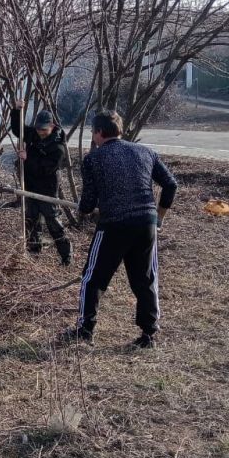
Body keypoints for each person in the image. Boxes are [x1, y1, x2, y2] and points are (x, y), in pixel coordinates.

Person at [61, 110, 177, 348]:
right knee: (145, 279)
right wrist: (159, 218)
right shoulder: (145, 152)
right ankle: (148, 334)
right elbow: (170, 185)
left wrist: (86, 209)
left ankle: (84, 331)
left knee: (93, 279)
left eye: (93, 133)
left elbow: (87, 204)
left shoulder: (94, 159)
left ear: (99, 133)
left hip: (113, 226)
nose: (93, 137)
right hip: (146, 225)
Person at [9, 106, 73, 265]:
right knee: (32, 220)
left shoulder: (58, 147)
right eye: (38, 129)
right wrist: (17, 110)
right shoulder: (33, 133)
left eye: (44, 129)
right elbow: (18, 130)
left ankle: (66, 257)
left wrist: (26, 157)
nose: (40, 132)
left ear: (52, 126)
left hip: (47, 190)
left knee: (53, 223)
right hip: (30, 187)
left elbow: (45, 168)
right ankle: (34, 252)